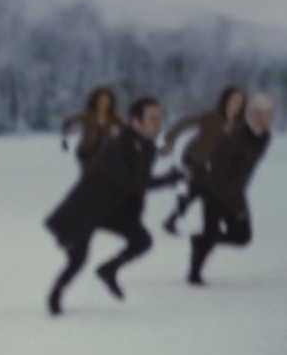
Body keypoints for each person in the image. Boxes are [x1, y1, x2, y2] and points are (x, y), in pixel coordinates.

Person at [44, 97, 184, 316]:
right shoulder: (118, 144)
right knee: (77, 260)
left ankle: (108, 270)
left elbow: (138, 184)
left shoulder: (147, 147)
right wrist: (167, 179)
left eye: (159, 118)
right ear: (135, 121)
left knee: (142, 241)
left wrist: (173, 177)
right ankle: (54, 299)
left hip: (113, 209)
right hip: (86, 208)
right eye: (152, 119)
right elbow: (131, 183)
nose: (158, 124)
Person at [187, 93, 273, 285]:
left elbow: (245, 171)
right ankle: (194, 275)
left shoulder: (264, 137)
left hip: (235, 190)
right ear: (250, 113)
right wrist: (236, 206)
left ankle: (200, 241)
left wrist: (238, 199)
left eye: (267, 114)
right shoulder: (235, 138)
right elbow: (218, 173)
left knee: (242, 236)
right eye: (259, 113)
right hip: (213, 188)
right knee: (211, 233)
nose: (263, 118)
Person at [159, 86, 246, 235]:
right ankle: (208, 225)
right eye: (233, 100)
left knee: (198, 191)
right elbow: (185, 122)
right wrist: (169, 140)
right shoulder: (212, 116)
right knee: (205, 190)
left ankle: (172, 220)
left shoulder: (239, 125)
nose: (236, 104)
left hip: (211, 163)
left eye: (240, 101)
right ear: (226, 101)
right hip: (194, 156)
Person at [60, 86, 122, 170]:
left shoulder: (113, 118)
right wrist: (64, 140)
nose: (103, 103)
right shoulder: (87, 115)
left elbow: (126, 130)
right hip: (86, 152)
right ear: (95, 101)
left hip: (103, 154)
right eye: (101, 100)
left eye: (106, 101)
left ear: (110, 102)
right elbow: (68, 123)